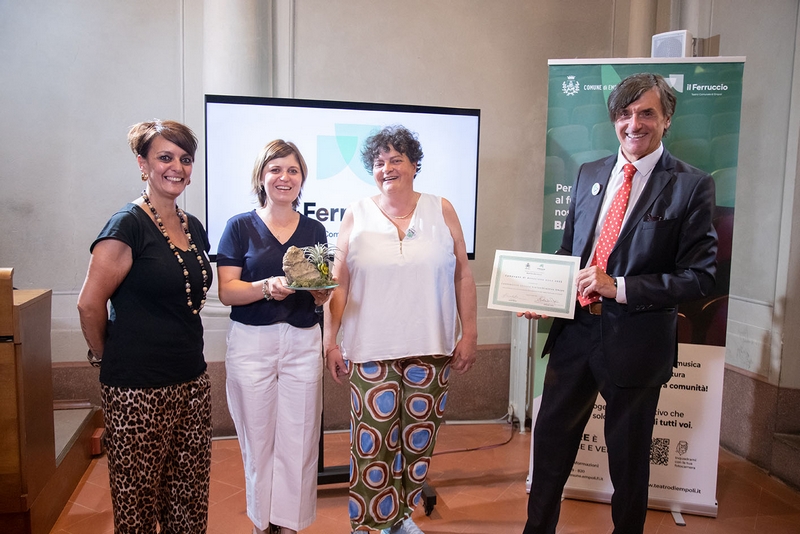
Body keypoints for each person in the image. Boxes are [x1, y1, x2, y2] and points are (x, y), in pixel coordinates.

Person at [519, 73, 718, 534]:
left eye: (646, 113)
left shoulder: (691, 185)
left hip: (636, 340)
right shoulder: (590, 173)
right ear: (614, 120)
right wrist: (545, 293)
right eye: (624, 114)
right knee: (549, 448)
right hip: (575, 333)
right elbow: (571, 250)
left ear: (667, 119)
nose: (634, 123)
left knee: (628, 461)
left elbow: (701, 277)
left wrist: (620, 287)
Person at [324, 125, 478, 534]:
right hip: (370, 349)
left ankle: (399, 517)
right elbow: (339, 283)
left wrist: (470, 333)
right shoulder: (356, 213)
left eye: (396, 160)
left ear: (414, 165)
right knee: (372, 442)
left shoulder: (441, 209)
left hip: (431, 347)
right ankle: (370, 525)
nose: (387, 168)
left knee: (417, 442)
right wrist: (330, 341)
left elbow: (463, 275)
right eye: (379, 162)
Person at [77, 119, 213, 533]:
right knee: (137, 507)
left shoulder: (192, 225)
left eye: (185, 159)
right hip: (137, 390)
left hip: (192, 382)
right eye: (165, 157)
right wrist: (108, 356)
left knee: (189, 500)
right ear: (143, 164)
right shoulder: (127, 225)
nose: (177, 167)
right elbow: (88, 304)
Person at [216, 140, 332, 534]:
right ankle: (261, 523)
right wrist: (265, 287)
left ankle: (290, 524)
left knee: (301, 439)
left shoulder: (315, 229)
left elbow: (320, 290)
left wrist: (321, 293)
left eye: (293, 170)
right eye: (276, 169)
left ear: (302, 179)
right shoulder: (239, 226)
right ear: (261, 177)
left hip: (303, 342)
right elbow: (227, 291)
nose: (285, 177)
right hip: (252, 343)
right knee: (258, 438)